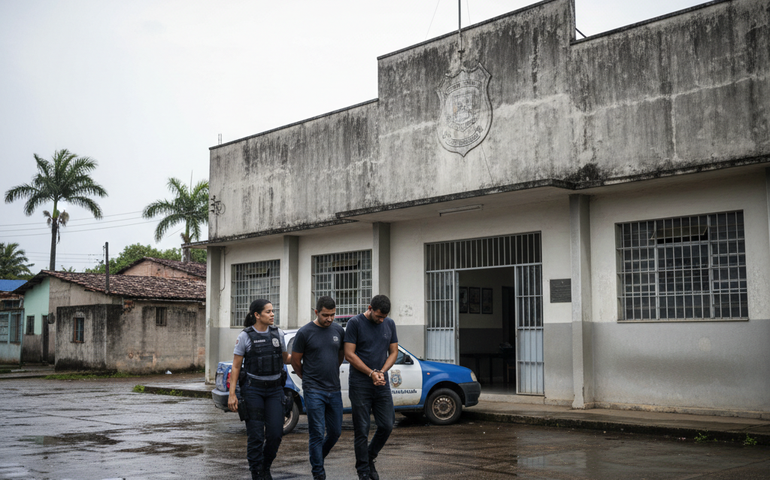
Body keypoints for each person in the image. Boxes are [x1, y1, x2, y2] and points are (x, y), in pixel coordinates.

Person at [228, 299, 291, 480]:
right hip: (253, 390)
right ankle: (256, 472)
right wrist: (232, 394)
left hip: (274, 391)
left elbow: (285, 358)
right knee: (256, 435)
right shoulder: (245, 336)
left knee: (275, 434)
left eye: (273, 311)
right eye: (268, 312)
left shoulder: (278, 334)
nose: (272, 314)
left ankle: (265, 466)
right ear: (257, 315)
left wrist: (307, 356)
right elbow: (236, 366)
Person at [344, 295, 399, 480]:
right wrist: (370, 373)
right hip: (360, 384)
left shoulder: (389, 324)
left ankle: (369, 457)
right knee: (362, 428)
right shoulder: (355, 323)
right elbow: (349, 354)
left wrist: (381, 372)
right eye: (378, 316)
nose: (381, 320)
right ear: (370, 308)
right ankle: (363, 471)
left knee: (387, 424)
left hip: (381, 381)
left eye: (384, 316)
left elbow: (394, 351)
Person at [291, 296, 346, 480]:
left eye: (332, 315)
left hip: (334, 389)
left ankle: (317, 458)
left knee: (336, 431)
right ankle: (318, 474)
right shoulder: (305, 332)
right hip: (314, 390)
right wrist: (306, 377)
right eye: (325, 315)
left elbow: (339, 356)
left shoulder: (338, 330)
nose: (329, 319)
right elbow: (295, 361)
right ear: (316, 312)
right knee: (316, 432)